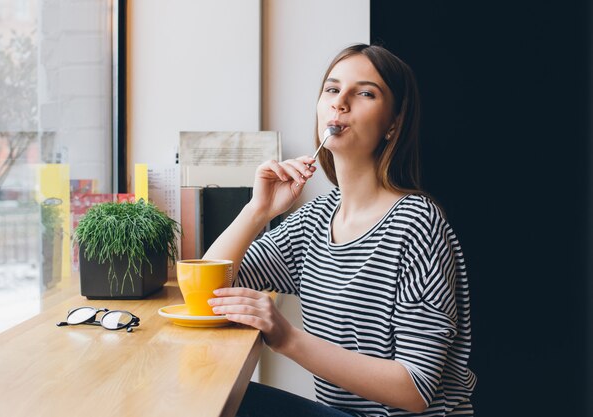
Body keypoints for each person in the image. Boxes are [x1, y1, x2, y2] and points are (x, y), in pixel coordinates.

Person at [204, 43, 477, 416]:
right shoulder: (315, 219)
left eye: (365, 92)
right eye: (332, 89)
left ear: (394, 123)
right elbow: (211, 287)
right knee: (214, 396)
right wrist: (257, 210)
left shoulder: (417, 225)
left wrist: (287, 338)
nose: (340, 102)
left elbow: (416, 389)